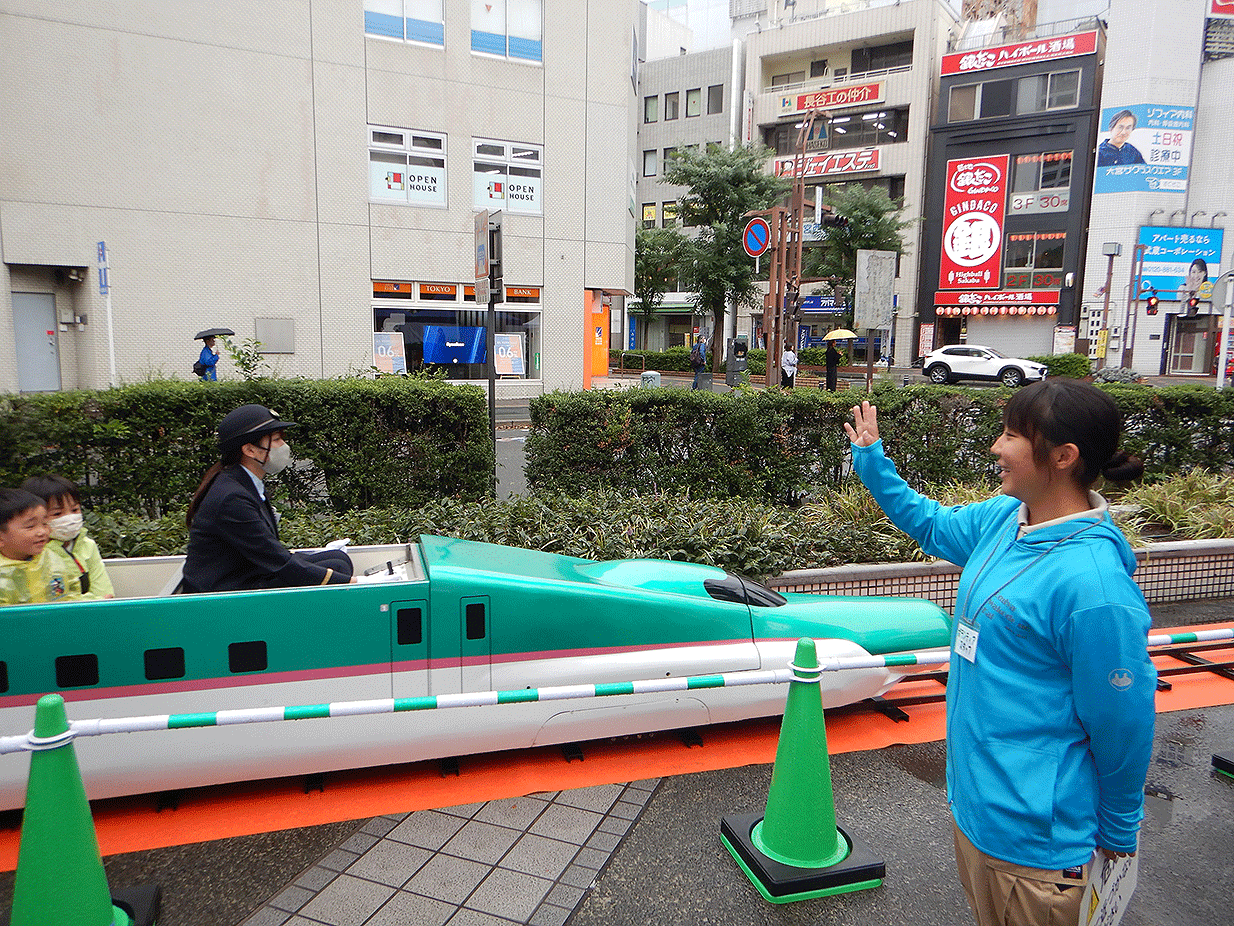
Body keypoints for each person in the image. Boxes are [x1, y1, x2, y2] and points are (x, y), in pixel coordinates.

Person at [844, 381, 1156, 926]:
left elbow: (1122, 722)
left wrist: (1118, 830)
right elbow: (931, 523)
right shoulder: (1005, 518)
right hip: (977, 813)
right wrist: (873, 461)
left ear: (1063, 457)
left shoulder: (1094, 586)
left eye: (1012, 435)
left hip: (1036, 849)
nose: (996, 446)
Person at [182, 404, 355, 592]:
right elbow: (278, 561)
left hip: (246, 575)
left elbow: (272, 553)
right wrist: (356, 582)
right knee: (337, 568)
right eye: (276, 439)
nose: (284, 446)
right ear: (250, 450)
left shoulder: (243, 483)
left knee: (339, 559)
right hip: (225, 592)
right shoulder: (232, 498)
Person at [19, 474, 114, 601]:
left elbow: (105, 592)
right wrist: (92, 600)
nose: (69, 518)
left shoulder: (87, 545)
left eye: (74, 510)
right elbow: (52, 600)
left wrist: (97, 600)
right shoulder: (33, 552)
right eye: (57, 513)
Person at [0, 488, 69, 606]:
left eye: (45, 524)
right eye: (30, 526)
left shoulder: (51, 559)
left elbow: (71, 594)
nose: (43, 532)